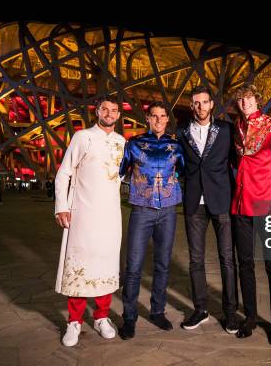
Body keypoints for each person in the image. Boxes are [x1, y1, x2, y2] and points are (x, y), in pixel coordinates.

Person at [54, 95, 126, 347]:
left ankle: (101, 317)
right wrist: (61, 207)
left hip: (110, 215)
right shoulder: (82, 137)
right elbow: (63, 173)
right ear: (97, 111)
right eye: (105, 109)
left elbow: (126, 176)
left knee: (106, 263)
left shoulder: (121, 142)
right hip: (83, 213)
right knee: (80, 263)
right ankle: (73, 321)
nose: (109, 113)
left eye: (114, 110)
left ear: (118, 115)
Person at [118, 101, 185, 340]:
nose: (158, 120)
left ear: (168, 119)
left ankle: (157, 311)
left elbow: (183, 172)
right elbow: (122, 172)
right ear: (147, 118)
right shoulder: (134, 144)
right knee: (133, 266)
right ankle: (129, 317)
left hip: (167, 211)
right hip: (142, 210)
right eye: (154, 116)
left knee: (162, 265)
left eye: (162, 116)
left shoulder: (176, 146)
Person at [231, 83, 271, 346]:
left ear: (258, 99)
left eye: (249, 99)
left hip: (266, 205)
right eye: (241, 100)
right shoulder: (237, 126)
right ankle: (251, 317)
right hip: (241, 205)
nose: (245, 104)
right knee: (245, 264)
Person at [176, 85, 239, 334]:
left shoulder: (226, 130)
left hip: (222, 201)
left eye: (204, 102)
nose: (200, 106)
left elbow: (237, 161)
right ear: (191, 106)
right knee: (195, 260)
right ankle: (200, 309)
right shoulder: (181, 131)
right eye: (196, 103)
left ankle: (230, 313)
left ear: (212, 104)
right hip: (194, 203)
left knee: (227, 259)